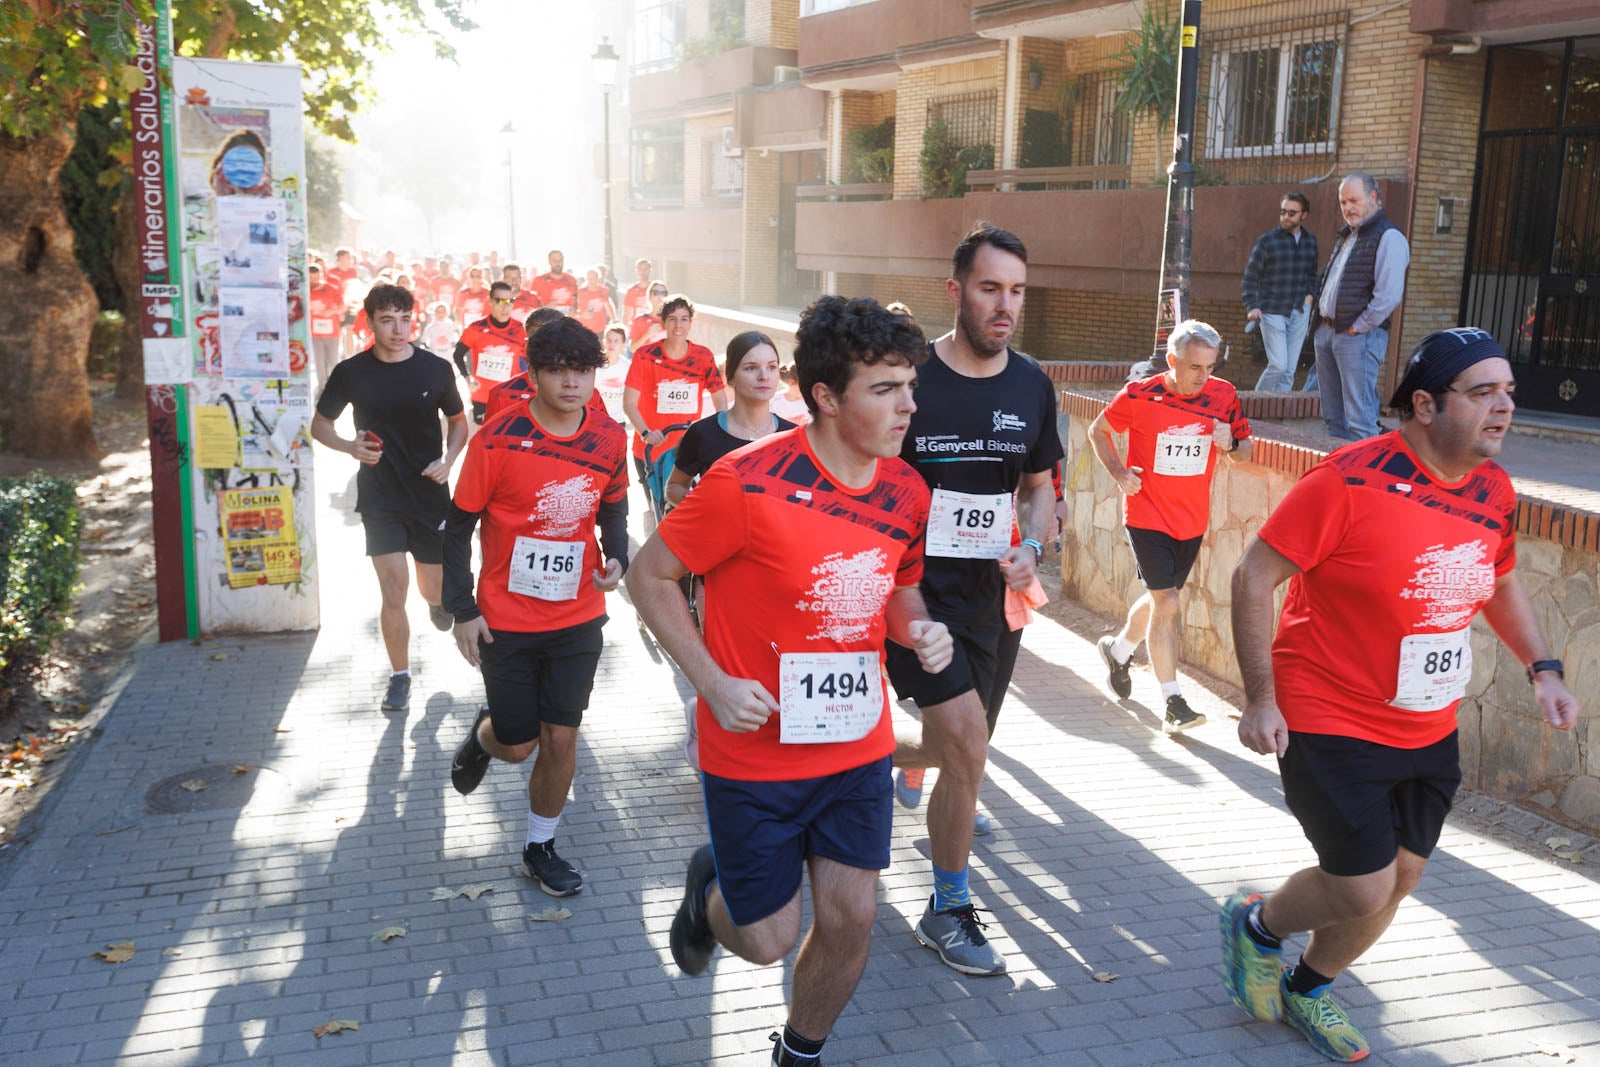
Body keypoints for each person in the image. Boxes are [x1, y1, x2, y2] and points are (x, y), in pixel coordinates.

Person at [1223, 327, 1580, 1062]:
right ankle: (1258, 924)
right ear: (1424, 403)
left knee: (1403, 878)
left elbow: (1501, 581)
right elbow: (1253, 576)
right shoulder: (1348, 479)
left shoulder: (1494, 490)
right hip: (1327, 712)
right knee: (1361, 884)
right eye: (1482, 392)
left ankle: (1310, 986)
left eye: (1508, 391)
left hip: (1426, 720)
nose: (1504, 407)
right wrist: (1261, 697)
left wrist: (1543, 665)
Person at [627, 295, 950, 1067]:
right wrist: (710, 681)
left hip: (854, 746)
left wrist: (919, 627)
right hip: (754, 752)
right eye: (885, 388)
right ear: (827, 397)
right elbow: (650, 576)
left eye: (910, 384)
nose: (907, 404)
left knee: (852, 916)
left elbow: (896, 587)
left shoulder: (907, 491)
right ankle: (709, 905)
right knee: (769, 939)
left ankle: (798, 1052)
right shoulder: (747, 480)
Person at [887, 222, 1063, 977]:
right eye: (991, 288)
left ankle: (867, 753)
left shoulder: (1032, 385)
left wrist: (1033, 544)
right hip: (914, 594)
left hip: (995, 601)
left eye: (1017, 291)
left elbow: (1040, 488)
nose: (1005, 305)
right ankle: (948, 905)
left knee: (966, 750)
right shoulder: (910, 379)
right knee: (966, 743)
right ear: (956, 289)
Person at [443, 317, 630, 897]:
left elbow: (615, 508)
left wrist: (618, 556)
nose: (572, 381)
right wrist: (462, 608)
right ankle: (484, 738)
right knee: (518, 743)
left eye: (583, 369)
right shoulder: (496, 439)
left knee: (561, 739)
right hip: (506, 620)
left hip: (577, 618)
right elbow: (456, 528)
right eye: (557, 369)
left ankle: (540, 846)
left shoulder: (609, 439)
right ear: (533, 373)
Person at [1089, 320, 1253, 731]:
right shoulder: (1141, 393)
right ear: (1172, 360)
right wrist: (1118, 473)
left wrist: (1229, 442)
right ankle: (1173, 702)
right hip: (1147, 515)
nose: (1204, 377)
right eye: (1195, 367)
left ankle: (1119, 650)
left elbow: (1245, 451)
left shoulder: (1224, 396)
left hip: (1191, 520)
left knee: (1163, 598)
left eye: (1210, 367)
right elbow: (1098, 430)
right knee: (1169, 604)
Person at [310, 284, 467, 712]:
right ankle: (400, 676)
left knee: (431, 587)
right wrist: (348, 447)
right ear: (371, 322)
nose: (397, 329)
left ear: (412, 319)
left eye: (403, 319)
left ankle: (436, 604)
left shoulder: (435, 369)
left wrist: (449, 460)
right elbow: (320, 424)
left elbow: (458, 422)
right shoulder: (351, 372)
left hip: (429, 493)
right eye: (386, 320)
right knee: (392, 590)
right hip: (379, 498)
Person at [1312, 173, 1411, 440]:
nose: (1347, 207)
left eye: (1354, 200)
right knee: (1333, 418)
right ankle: (1338, 476)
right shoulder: (1349, 235)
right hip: (1329, 333)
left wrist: (1358, 327)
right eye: (1343, 202)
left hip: (1357, 337)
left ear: (1374, 198)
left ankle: (1362, 478)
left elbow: (1388, 296)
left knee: (1360, 421)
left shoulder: (1389, 237)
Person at [664, 331, 794, 508]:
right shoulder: (703, 433)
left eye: (771, 367)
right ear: (731, 378)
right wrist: (704, 504)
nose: (764, 376)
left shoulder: (793, 437)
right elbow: (674, 487)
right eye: (751, 368)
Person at [622, 294, 727, 489]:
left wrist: (718, 433)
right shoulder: (645, 356)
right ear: (663, 323)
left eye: (684, 319)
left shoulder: (703, 356)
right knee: (655, 511)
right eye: (672, 319)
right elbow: (629, 404)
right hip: (650, 449)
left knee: (683, 512)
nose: (678, 325)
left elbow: (720, 399)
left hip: (688, 452)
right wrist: (645, 433)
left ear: (690, 323)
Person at [1242, 193, 1318, 393]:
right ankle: (1254, 406)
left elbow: (1312, 274)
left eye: (1292, 213)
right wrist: (1252, 306)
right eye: (1283, 212)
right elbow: (1250, 277)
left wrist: (1309, 298)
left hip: (1300, 310)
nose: (1286, 217)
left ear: (1304, 215)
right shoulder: (1267, 242)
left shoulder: (1310, 242)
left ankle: (1276, 414)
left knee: (1289, 371)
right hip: (1272, 310)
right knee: (1278, 365)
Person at [453, 281, 527, 424]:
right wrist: (468, 379)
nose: (506, 306)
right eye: (500, 301)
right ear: (490, 302)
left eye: (510, 301)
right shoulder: (476, 328)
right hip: (482, 396)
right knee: (482, 441)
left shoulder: (520, 330)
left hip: (509, 397)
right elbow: (458, 354)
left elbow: (531, 362)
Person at [306, 263, 345, 385]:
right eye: (311, 279)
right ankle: (323, 388)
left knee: (333, 362)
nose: (314, 281)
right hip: (314, 333)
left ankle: (334, 387)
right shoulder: (304, 291)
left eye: (316, 278)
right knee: (319, 363)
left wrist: (331, 312)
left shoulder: (331, 289)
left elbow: (343, 307)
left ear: (321, 275)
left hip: (332, 332)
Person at [595, 325, 632, 425]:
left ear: (624, 344)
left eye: (616, 341)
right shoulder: (594, 364)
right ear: (603, 342)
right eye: (609, 340)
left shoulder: (628, 367)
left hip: (618, 420)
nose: (612, 344)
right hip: (595, 418)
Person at [531, 250, 579, 316]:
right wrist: (545, 308)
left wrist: (574, 309)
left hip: (567, 321)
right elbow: (530, 305)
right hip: (547, 321)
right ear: (549, 262)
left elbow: (575, 299)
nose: (558, 263)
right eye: (555, 260)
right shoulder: (539, 280)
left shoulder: (571, 279)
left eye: (560, 260)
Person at [575, 266, 615, 336]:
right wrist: (581, 315)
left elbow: (607, 305)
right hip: (584, 329)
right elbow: (572, 310)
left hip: (600, 329)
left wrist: (614, 320)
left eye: (593, 278)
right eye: (589, 278)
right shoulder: (580, 292)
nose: (591, 280)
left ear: (598, 278)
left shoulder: (603, 290)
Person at [629, 282, 669, 347]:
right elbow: (632, 348)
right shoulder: (640, 319)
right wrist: (647, 335)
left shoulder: (673, 320)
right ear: (649, 296)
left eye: (664, 293)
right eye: (656, 293)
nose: (660, 296)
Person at [622, 258, 654, 324]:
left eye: (645, 269)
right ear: (636, 271)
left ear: (650, 270)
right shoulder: (631, 291)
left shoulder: (655, 289)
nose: (643, 271)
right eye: (640, 269)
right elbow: (626, 315)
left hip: (652, 325)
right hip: (636, 326)